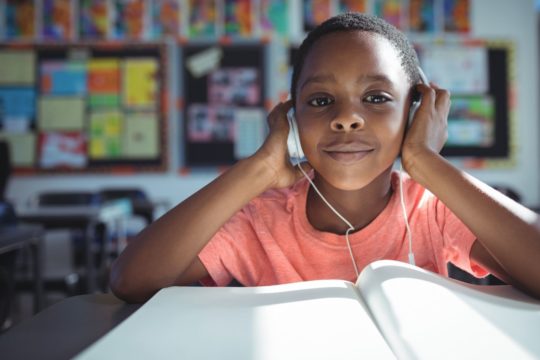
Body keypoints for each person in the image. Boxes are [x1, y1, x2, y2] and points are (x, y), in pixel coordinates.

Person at [110, 13, 540, 303]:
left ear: (414, 112)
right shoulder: (259, 221)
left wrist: (425, 161)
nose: (347, 118)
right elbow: (131, 281)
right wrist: (259, 168)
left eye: (376, 97)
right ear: (292, 118)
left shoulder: (435, 208)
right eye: (320, 100)